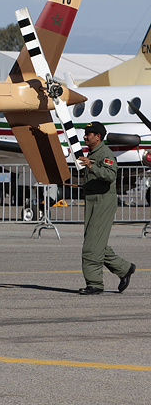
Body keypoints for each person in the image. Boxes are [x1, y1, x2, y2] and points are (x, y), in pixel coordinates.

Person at [76, 121, 136, 295]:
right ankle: (124, 269)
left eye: (89, 133)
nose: (85, 136)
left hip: (103, 201)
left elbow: (110, 175)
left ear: (98, 136)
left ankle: (94, 283)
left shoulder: (105, 153)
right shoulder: (93, 152)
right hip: (92, 200)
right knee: (96, 242)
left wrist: (91, 166)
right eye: (85, 133)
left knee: (91, 245)